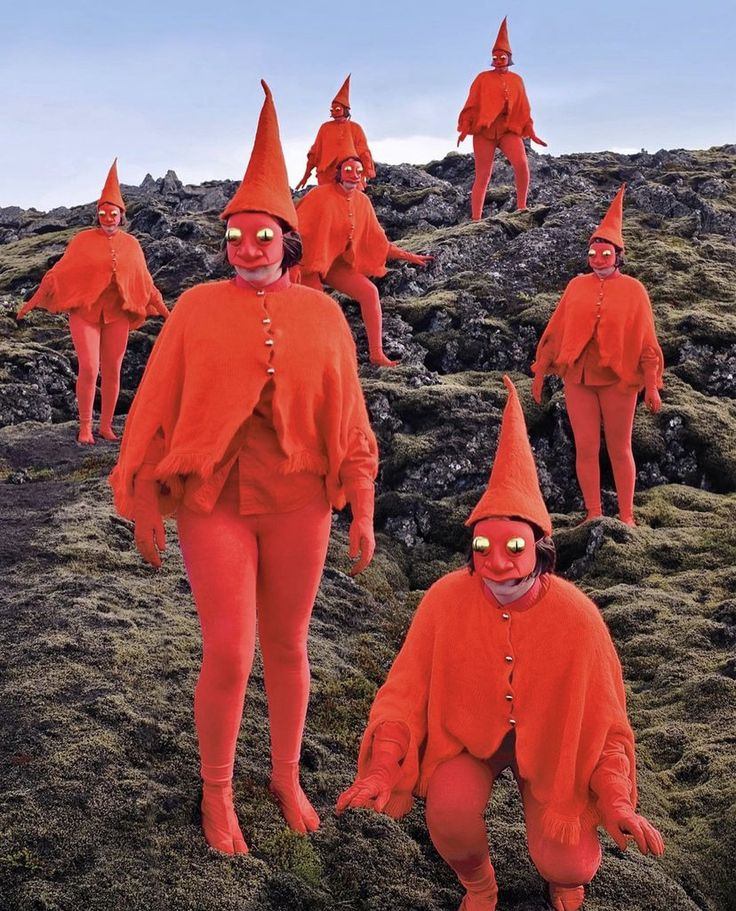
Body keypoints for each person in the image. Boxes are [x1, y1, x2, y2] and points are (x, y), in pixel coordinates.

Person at [109, 81, 379, 854]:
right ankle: (218, 789)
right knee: (230, 648)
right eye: (236, 236)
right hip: (213, 498)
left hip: (298, 498)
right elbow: (155, 404)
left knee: (289, 643)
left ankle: (285, 774)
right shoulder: (195, 307)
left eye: (263, 235)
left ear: (288, 242)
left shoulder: (325, 314)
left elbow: (349, 414)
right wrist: (144, 500)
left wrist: (360, 502)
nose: (248, 247)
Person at [337, 377, 665, 911]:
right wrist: (381, 767)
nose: (497, 562)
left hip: (554, 755)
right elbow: (404, 692)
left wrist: (619, 802)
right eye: (482, 546)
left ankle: (563, 880)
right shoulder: (444, 601)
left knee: (570, 860)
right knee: (448, 811)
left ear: (540, 548)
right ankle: (480, 886)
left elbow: (605, 727)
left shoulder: (579, 619)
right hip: (469, 740)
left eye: (514, 546)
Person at [531, 185, 664, 526]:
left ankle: (627, 516)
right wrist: (541, 373)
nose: (598, 261)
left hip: (619, 380)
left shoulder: (635, 290)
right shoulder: (576, 286)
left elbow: (647, 341)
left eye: (605, 255)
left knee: (620, 449)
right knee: (586, 448)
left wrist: (651, 385)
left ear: (619, 256)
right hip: (578, 378)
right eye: (593, 254)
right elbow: (556, 330)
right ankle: (593, 512)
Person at [16, 160, 168, 443]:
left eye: (113, 213)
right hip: (85, 313)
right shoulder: (82, 240)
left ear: (122, 215)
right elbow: (58, 273)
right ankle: (85, 425)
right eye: (102, 213)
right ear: (97, 215)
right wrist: (32, 302)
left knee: (112, 370)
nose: (108, 218)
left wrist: (165, 313)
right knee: (89, 367)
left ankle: (106, 426)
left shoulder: (132, 245)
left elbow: (145, 282)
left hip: (117, 315)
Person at [297, 156, 432, 367]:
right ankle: (318, 361)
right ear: (338, 172)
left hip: (335, 264)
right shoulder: (319, 195)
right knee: (322, 308)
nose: (353, 175)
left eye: (358, 171)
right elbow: (292, 229)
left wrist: (408, 255)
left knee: (369, 292)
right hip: (306, 265)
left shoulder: (362, 202)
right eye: (349, 169)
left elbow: (377, 241)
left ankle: (376, 354)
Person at [457, 17, 547, 219]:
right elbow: (471, 103)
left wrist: (531, 131)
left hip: (508, 130)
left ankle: (522, 207)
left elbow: (524, 108)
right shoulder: (482, 78)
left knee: (522, 163)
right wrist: (465, 128)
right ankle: (476, 219)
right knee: (483, 175)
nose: (498, 61)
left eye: (502, 57)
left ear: (509, 58)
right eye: (495, 57)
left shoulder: (517, 80)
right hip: (484, 132)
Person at [296, 75, 376, 189]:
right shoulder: (325, 127)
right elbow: (315, 153)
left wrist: (368, 171)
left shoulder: (355, 128)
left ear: (345, 110)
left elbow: (363, 151)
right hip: (327, 176)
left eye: (337, 109)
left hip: (350, 174)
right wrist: (306, 175)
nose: (334, 113)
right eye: (332, 110)